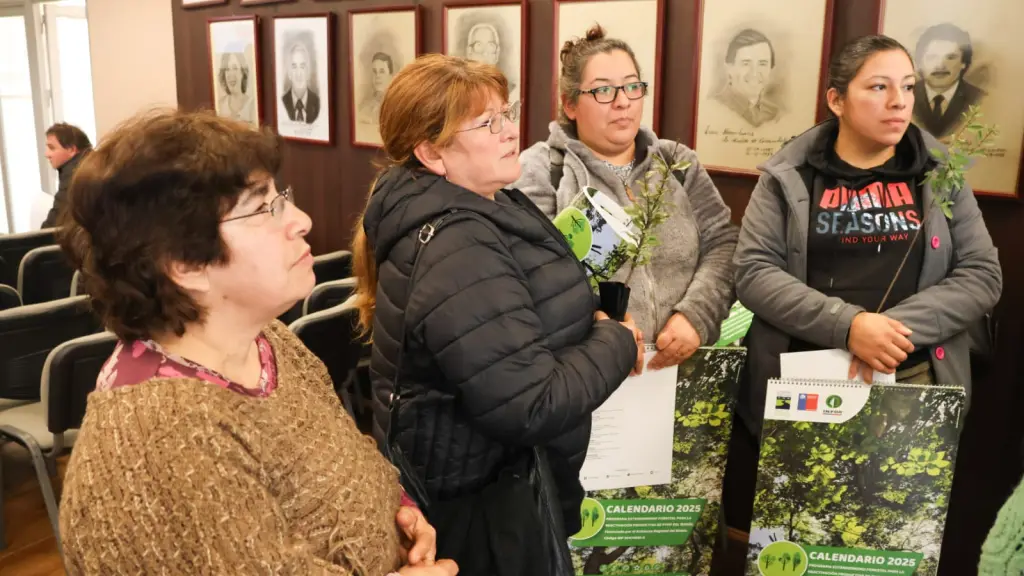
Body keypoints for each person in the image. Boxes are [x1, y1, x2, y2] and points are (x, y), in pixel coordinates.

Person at [56, 109, 457, 576]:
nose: (302, 220)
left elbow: (342, 465)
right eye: (264, 209)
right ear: (184, 263)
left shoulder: (268, 341)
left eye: (281, 198)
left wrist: (400, 510)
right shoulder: (158, 441)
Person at [351, 53, 641, 574]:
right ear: (431, 152)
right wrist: (615, 341)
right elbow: (531, 403)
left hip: (502, 489)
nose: (511, 133)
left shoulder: (489, 202)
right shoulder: (457, 244)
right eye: (488, 123)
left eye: (507, 114)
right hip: (485, 512)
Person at [726, 34, 1001, 532]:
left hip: (912, 382)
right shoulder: (789, 174)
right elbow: (754, 271)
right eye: (878, 87)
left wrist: (888, 332)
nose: (899, 102)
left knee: (889, 537)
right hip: (804, 382)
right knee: (800, 534)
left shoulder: (940, 173)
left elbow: (982, 274)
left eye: (908, 87)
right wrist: (849, 327)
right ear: (837, 100)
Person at [513, 24, 738, 370]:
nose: (623, 102)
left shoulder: (678, 162)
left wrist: (697, 315)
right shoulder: (541, 169)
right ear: (570, 104)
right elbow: (531, 276)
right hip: (586, 369)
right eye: (603, 90)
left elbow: (723, 244)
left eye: (633, 86)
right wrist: (604, 329)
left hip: (680, 367)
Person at [912, 23, 985, 138]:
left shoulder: (979, 99)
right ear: (920, 62)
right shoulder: (906, 94)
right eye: (932, 57)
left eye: (950, 57)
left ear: (963, 62)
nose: (940, 65)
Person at [713, 28, 781, 128]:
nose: (754, 73)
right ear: (729, 68)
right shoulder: (713, 108)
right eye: (746, 63)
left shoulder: (775, 115)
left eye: (762, 64)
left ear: (771, 69)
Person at [40, 122, 91, 229]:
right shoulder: (88, 164)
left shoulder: (75, 174)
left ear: (72, 150)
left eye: (52, 148)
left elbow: (56, 220)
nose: (47, 154)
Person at [282, 42, 320, 124]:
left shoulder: (318, 103)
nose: (298, 73)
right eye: (294, 67)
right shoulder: (282, 102)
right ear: (289, 73)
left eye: (302, 66)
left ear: (308, 71)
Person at [217, 49, 257, 125]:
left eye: (235, 68)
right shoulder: (220, 105)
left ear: (242, 72)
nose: (231, 74)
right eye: (227, 69)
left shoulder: (253, 106)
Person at [358, 52, 394, 126]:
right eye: (374, 72)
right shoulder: (364, 106)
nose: (377, 76)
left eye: (382, 71)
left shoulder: (395, 106)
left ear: (390, 76)